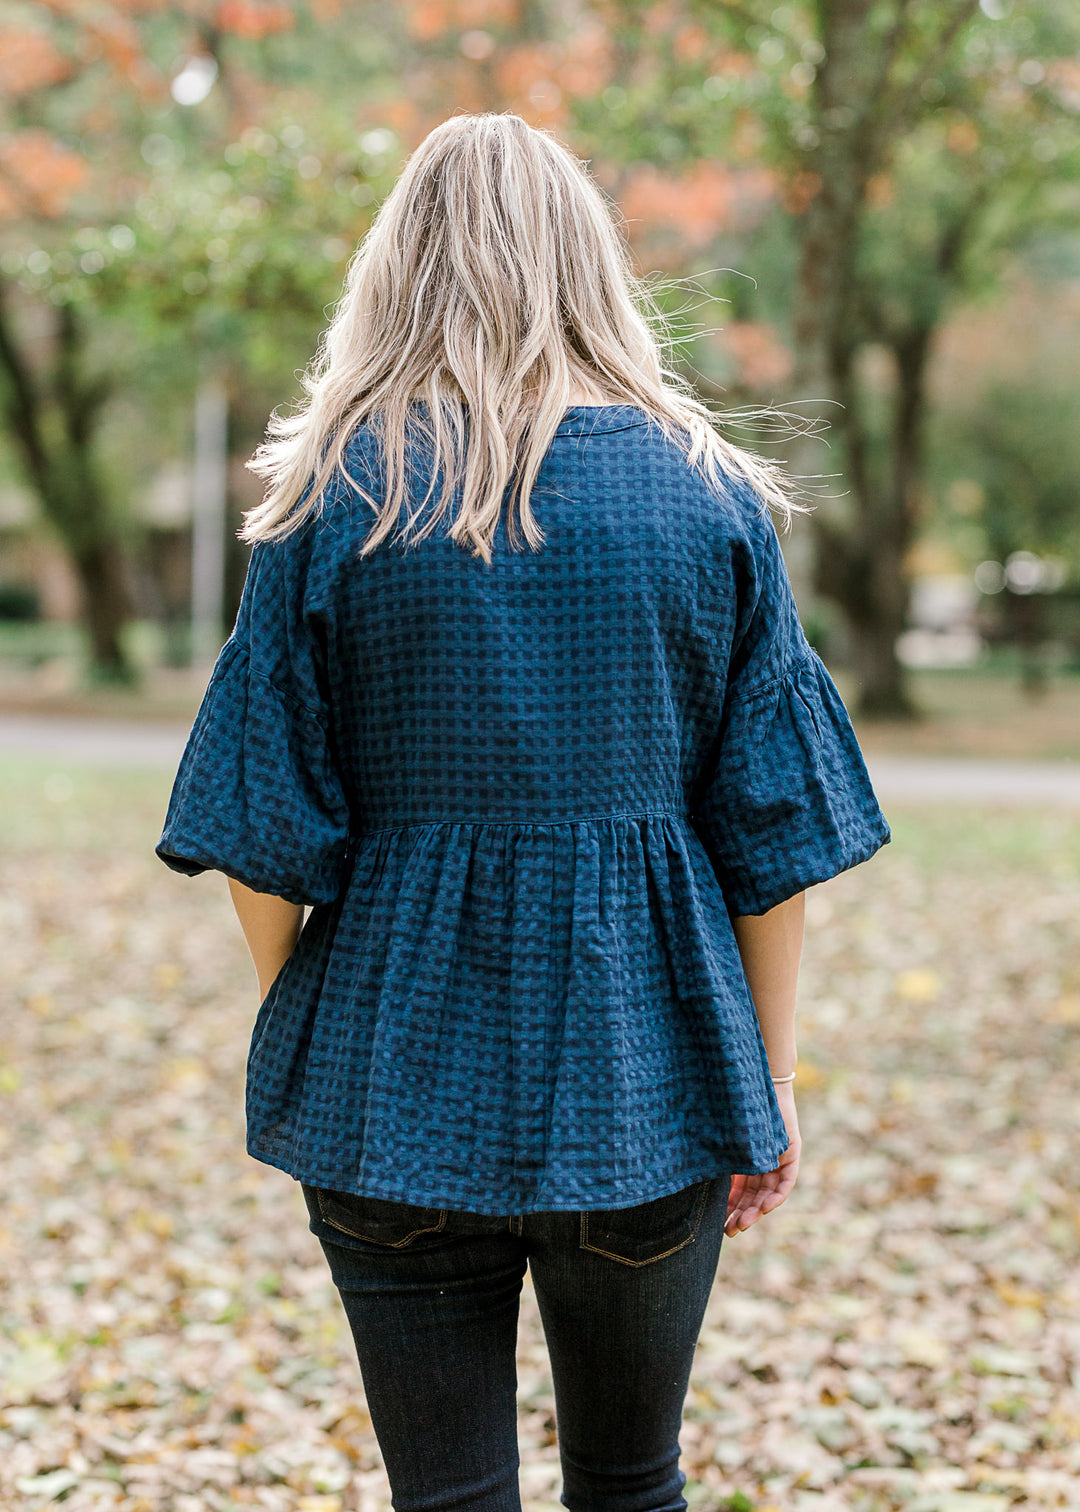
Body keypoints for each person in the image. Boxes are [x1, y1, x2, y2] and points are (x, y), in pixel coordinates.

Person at [157, 112, 890, 1512]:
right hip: (653, 1073)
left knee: (447, 1499)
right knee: (632, 1482)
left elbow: (263, 832)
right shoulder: (708, 497)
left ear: (399, 270)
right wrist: (774, 1075)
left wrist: (306, 1012)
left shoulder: (333, 497)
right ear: (591, 267)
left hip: (386, 1079)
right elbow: (774, 839)